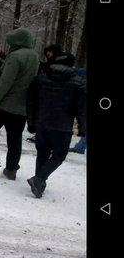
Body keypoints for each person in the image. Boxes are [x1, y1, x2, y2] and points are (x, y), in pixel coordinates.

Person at [0, 28, 39, 180]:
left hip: (5, 104)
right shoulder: (34, 56)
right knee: (15, 138)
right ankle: (11, 169)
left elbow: (6, 81)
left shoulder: (15, 56)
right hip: (22, 106)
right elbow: (19, 76)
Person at [26, 53, 85, 198]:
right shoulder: (78, 83)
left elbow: (31, 102)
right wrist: (83, 126)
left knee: (43, 153)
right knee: (59, 155)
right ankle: (39, 179)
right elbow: (81, 108)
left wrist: (31, 122)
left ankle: (39, 182)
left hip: (42, 122)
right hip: (62, 126)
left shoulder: (40, 79)